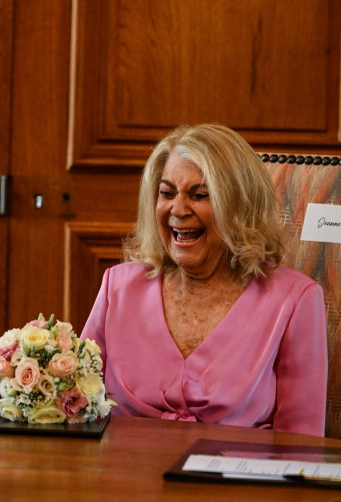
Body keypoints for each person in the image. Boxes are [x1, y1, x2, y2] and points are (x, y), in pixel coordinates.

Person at [81, 124, 328, 436]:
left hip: (239, 481)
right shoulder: (117, 287)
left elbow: (301, 442)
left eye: (199, 195)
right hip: (122, 478)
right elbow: (75, 404)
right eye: (167, 193)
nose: (178, 210)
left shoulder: (295, 300)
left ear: (239, 207)